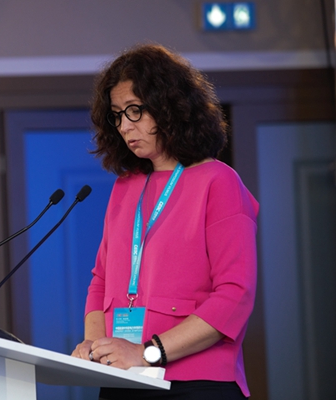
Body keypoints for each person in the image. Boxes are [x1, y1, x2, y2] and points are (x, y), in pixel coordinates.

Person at [71, 43, 258, 400]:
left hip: (197, 383)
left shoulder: (219, 182)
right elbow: (101, 281)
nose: (125, 126)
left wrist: (148, 353)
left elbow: (236, 295)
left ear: (169, 108)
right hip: (124, 379)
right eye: (117, 115)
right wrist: (94, 346)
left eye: (135, 111)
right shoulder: (125, 186)